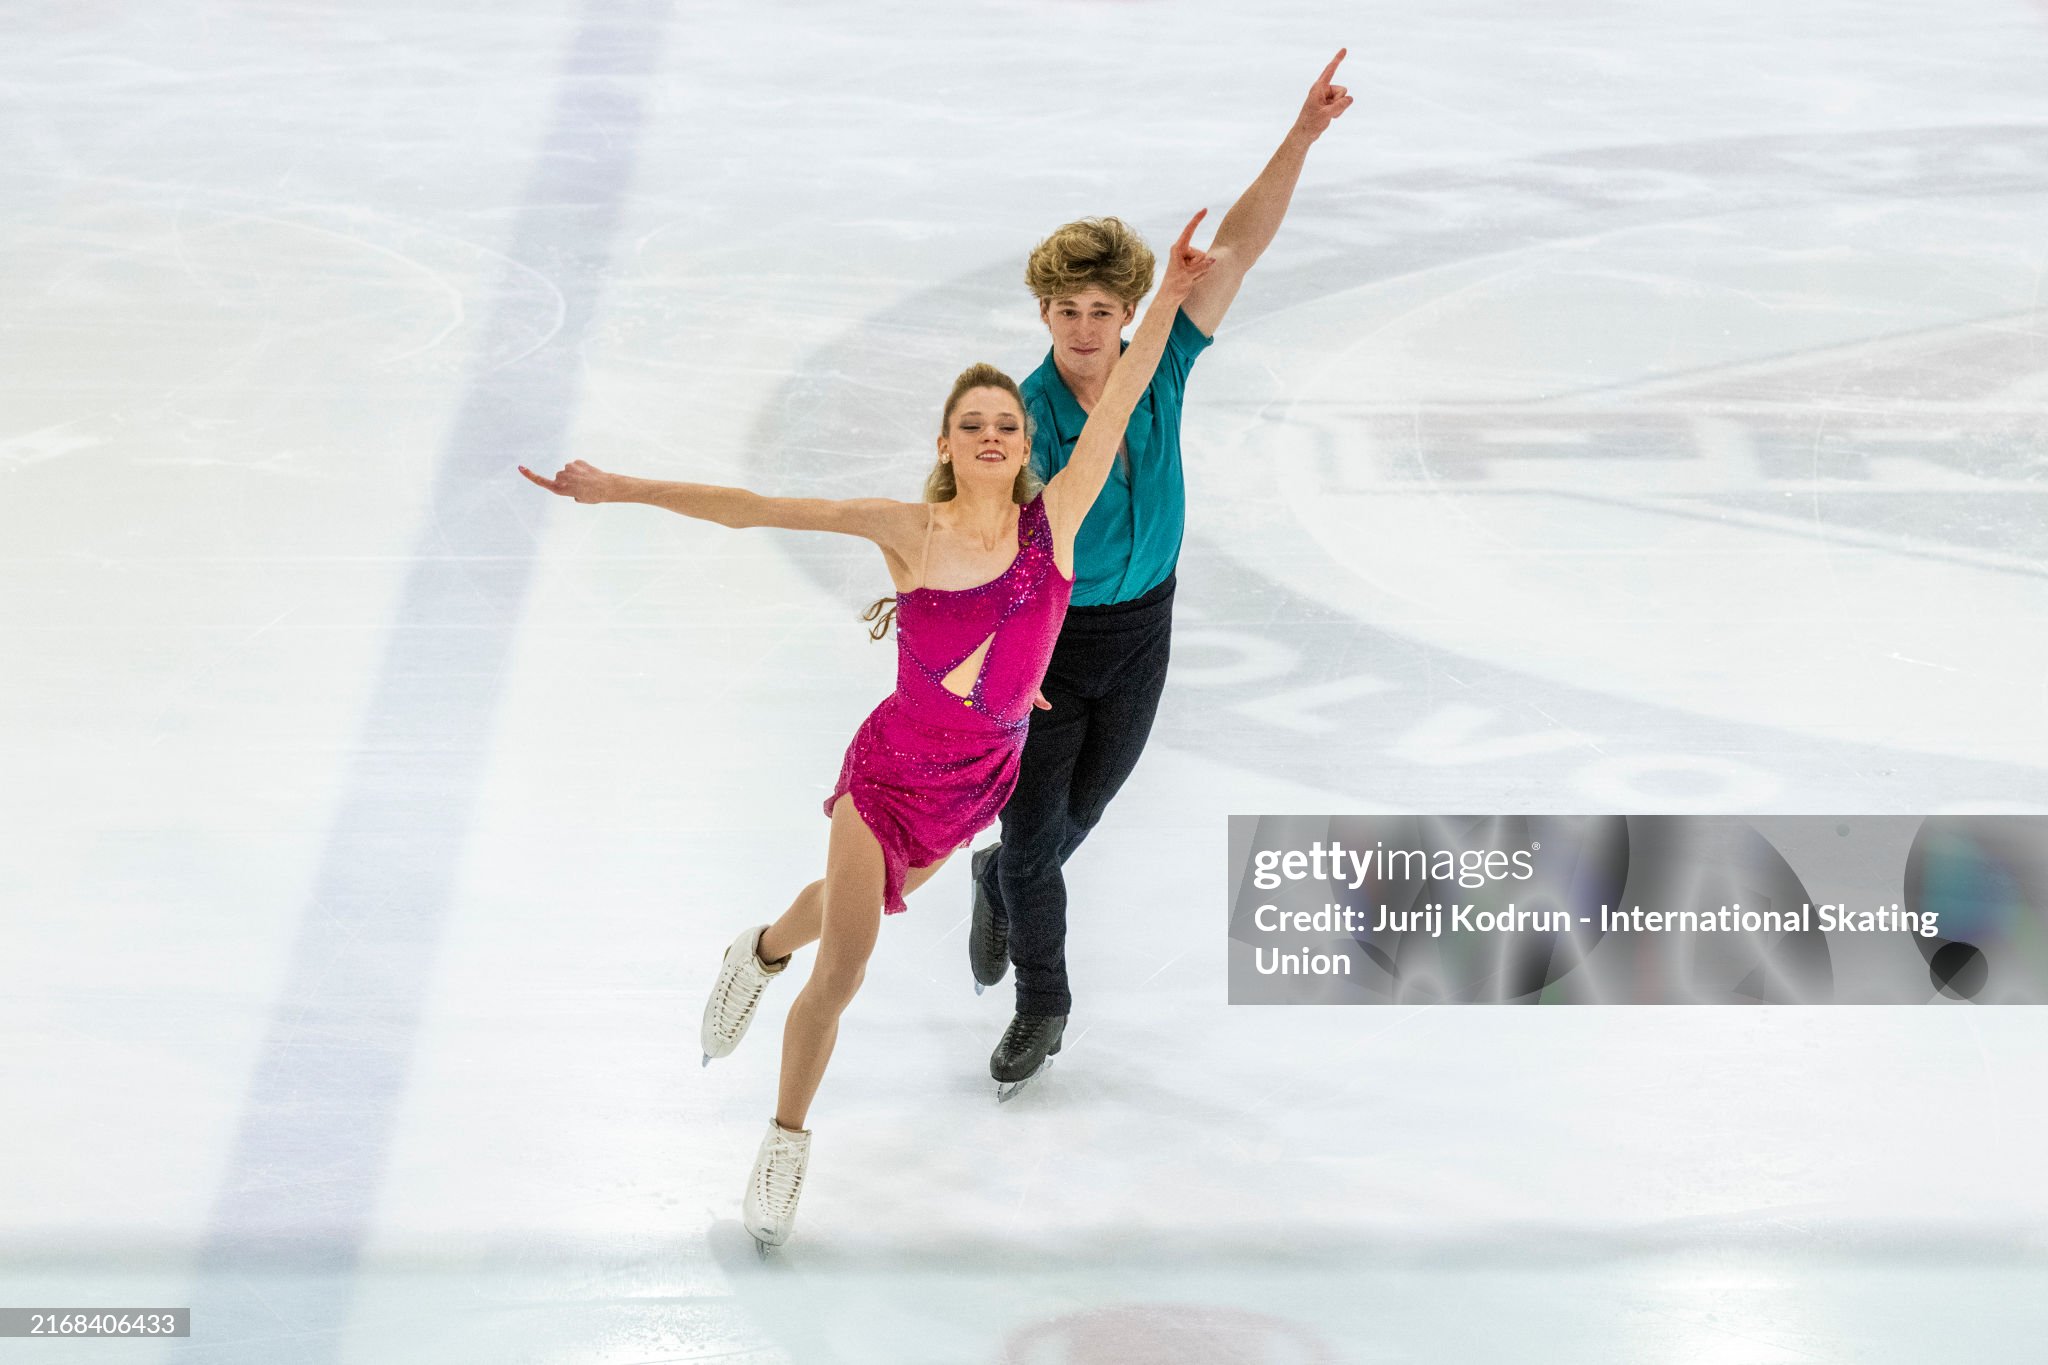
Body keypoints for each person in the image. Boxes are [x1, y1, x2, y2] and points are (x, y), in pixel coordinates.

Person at [517, 214, 1214, 1248]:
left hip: (972, 790)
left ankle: (755, 950)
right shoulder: (907, 530)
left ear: (1027, 445)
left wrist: (1170, 299)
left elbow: (1122, 393)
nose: (991, 436)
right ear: (946, 443)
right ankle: (783, 1146)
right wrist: (618, 488)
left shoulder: (1055, 520)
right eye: (971, 424)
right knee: (844, 967)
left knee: (843, 908)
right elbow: (753, 508)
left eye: (1005, 425)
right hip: (889, 776)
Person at [971, 52, 1354, 1089]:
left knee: (1077, 817)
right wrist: (1003, 661)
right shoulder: (1015, 417)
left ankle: (997, 883)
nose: (1085, 330)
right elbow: (981, 551)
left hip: (1144, 627)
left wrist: (1301, 134)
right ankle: (1042, 1005)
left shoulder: (1165, 361)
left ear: (1128, 312)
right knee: (1036, 839)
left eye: (1102, 311)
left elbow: (1240, 246)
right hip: (1048, 647)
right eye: (1067, 312)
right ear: (1043, 314)